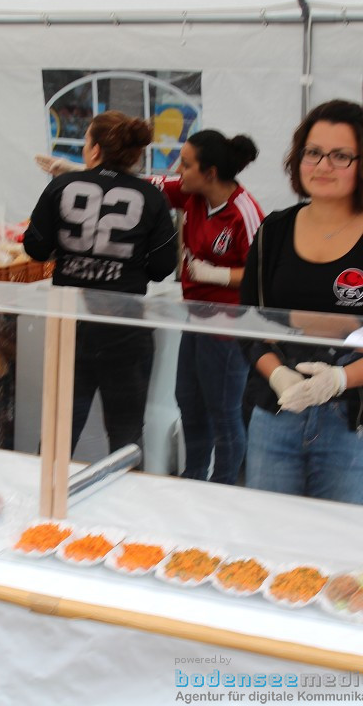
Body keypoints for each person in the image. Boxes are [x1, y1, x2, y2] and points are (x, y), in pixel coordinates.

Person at [240, 100, 363, 505]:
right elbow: (249, 323)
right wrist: (278, 376)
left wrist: (339, 380)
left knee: (335, 544)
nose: (323, 165)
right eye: (313, 152)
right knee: (265, 537)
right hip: (276, 415)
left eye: (340, 156)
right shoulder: (272, 231)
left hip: (359, 428)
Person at [25, 111, 177, 455]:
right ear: (134, 153)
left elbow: (34, 247)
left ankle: (44, 504)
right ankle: (121, 505)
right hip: (124, 330)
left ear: (93, 150)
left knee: (57, 435)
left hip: (71, 328)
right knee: (125, 440)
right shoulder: (152, 197)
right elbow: (162, 268)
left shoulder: (61, 186)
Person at [148, 130, 263, 485]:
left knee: (224, 412)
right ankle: (194, 477)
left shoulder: (244, 211)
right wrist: (74, 172)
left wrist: (219, 274)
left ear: (210, 172)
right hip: (194, 317)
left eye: (185, 164)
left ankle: (226, 485)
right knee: (189, 401)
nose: (176, 170)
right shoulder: (190, 193)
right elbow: (144, 185)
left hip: (228, 327)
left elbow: (262, 275)